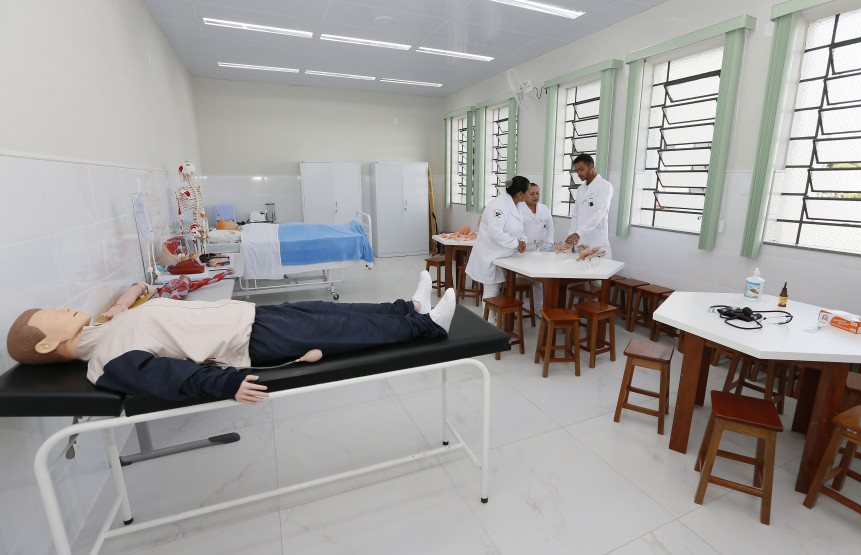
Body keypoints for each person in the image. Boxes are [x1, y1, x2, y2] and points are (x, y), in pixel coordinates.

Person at [7, 272, 455, 404]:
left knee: (331, 310)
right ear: (46, 345)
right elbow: (163, 377)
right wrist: (223, 385)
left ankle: (406, 308)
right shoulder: (106, 359)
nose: (65, 307)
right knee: (340, 329)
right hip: (248, 340)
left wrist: (128, 297)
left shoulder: (105, 328)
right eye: (53, 315)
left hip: (247, 315)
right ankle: (428, 326)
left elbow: (132, 295)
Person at [465, 176, 529, 324]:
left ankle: (493, 321)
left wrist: (523, 241)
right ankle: (488, 323)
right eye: (528, 191)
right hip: (490, 254)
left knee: (496, 288)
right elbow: (496, 233)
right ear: (520, 193)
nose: (529, 194)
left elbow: (520, 228)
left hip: (503, 254)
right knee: (491, 290)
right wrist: (516, 243)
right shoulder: (498, 206)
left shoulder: (517, 205)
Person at [564, 153, 613, 257]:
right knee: (579, 269)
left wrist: (578, 233)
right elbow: (575, 215)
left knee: (597, 269)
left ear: (591, 166)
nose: (578, 173)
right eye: (577, 170)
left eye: (581, 169)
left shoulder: (605, 186)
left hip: (597, 239)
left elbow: (599, 213)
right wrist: (572, 236)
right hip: (580, 240)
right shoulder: (581, 189)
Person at [517, 183, 554, 314]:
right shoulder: (518, 208)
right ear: (525, 194)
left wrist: (549, 243)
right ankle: (516, 308)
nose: (535, 196)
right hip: (524, 251)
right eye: (532, 193)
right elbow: (516, 228)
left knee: (540, 281)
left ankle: (539, 309)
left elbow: (550, 227)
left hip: (542, 250)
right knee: (519, 281)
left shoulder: (544, 208)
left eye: (537, 193)